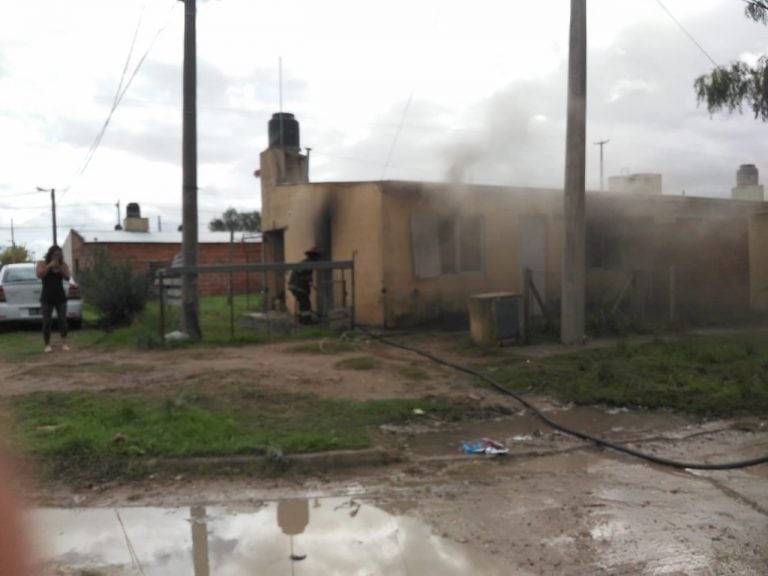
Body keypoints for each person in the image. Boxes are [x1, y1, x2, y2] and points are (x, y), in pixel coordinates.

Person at [36, 245, 71, 353]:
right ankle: (47, 345)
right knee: (47, 321)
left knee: (62, 321)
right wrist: (49, 266)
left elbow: (68, 277)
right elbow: (39, 275)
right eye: (55, 255)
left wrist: (59, 268)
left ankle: (64, 343)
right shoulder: (42, 263)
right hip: (46, 297)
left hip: (60, 297)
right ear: (50, 254)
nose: (57, 257)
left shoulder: (63, 265)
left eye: (59, 255)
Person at [288, 247, 321, 324]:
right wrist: (308, 279)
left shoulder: (307, 262)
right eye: (317, 257)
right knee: (305, 303)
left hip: (296, 286)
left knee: (303, 303)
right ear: (314, 256)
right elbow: (301, 272)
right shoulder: (308, 263)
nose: (318, 259)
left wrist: (309, 279)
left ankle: (302, 319)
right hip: (299, 287)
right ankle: (306, 321)